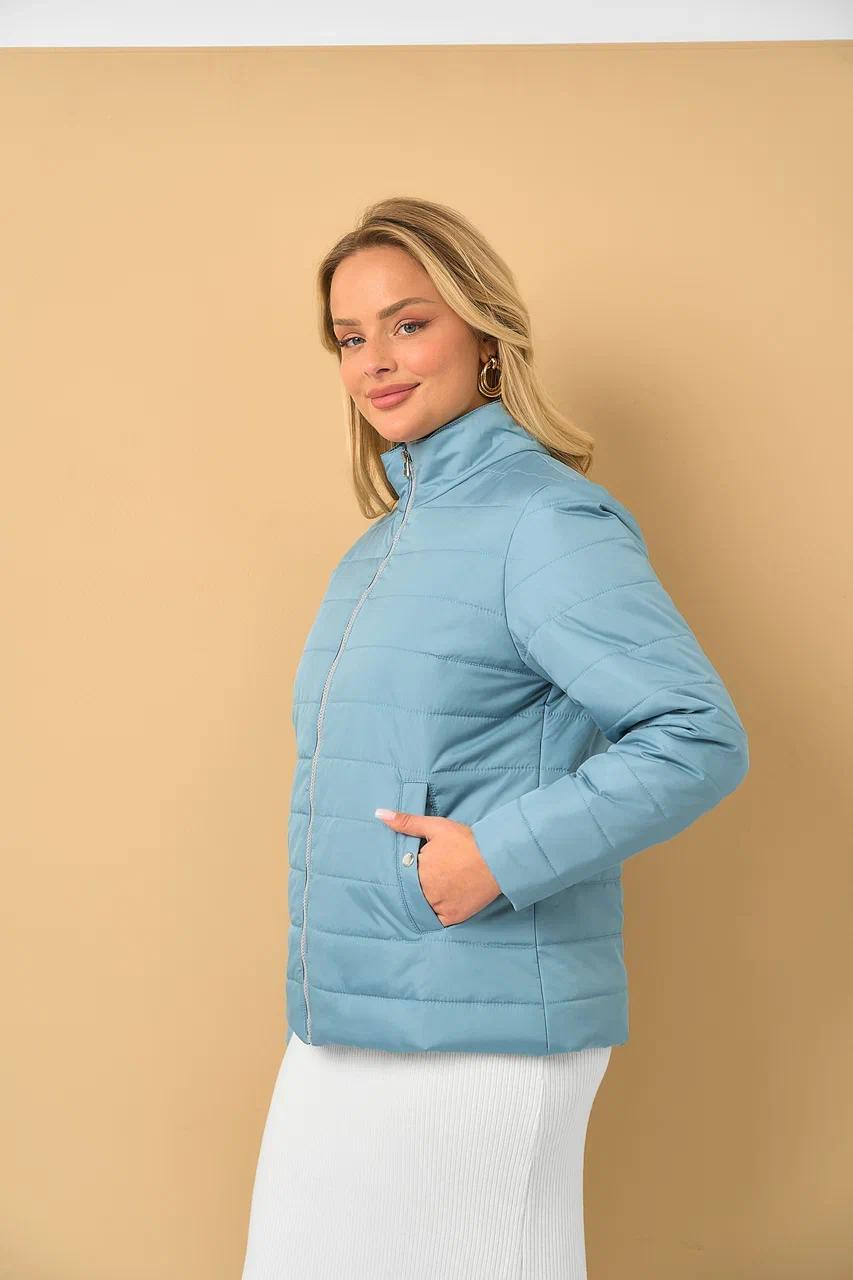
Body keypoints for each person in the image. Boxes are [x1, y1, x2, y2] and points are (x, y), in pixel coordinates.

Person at [241, 196, 749, 1279]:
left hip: (483, 1022)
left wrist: (491, 858)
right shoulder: (381, 548)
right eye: (349, 336)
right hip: (351, 1014)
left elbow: (695, 734)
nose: (375, 360)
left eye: (408, 322)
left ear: (483, 333)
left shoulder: (543, 519)